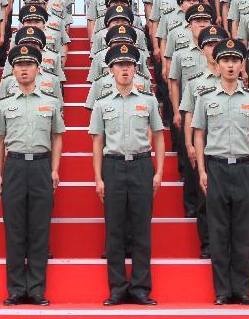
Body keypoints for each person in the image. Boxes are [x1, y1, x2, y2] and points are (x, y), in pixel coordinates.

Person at [89, 43, 165, 306]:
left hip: (142, 165)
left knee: (142, 229)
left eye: (129, 65)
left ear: (136, 69)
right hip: (113, 166)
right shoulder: (102, 104)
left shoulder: (148, 100)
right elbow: (97, 142)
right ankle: (118, 288)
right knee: (115, 230)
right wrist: (98, 177)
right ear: (111, 70)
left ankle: (142, 287)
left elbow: (158, 135)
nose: (125, 69)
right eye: (120, 65)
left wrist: (160, 172)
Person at [0, 44, 64, 306]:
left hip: (41, 167)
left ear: (37, 69)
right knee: (14, 229)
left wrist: (55, 169)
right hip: (14, 167)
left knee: (39, 229)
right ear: (12, 70)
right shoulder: (4, 104)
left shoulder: (50, 102)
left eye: (29, 64)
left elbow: (57, 137)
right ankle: (15, 289)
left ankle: (35, 288)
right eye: (19, 65)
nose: (24, 69)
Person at [192, 39, 249, 305]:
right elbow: (199, 135)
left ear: (242, 65)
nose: (230, 65)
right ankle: (222, 290)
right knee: (219, 232)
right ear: (217, 64)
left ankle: (242, 290)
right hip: (217, 167)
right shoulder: (206, 98)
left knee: (243, 233)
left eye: (235, 61)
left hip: (244, 167)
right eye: (225, 61)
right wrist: (202, 170)